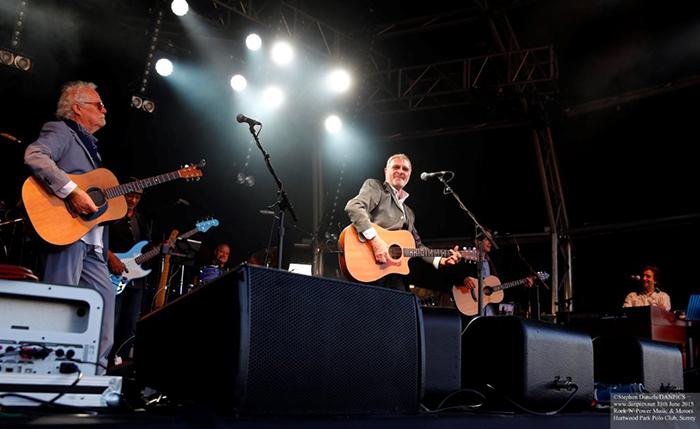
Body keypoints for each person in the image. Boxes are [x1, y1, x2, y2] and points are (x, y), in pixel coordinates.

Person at [24, 81, 113, 372]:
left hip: (93, 243)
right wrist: (72, 191)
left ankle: (93, 374)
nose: (104, 109)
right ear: (77, 108)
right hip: (67, 235)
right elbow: (35, 155)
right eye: (98, 105)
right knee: (61, 303)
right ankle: (47, 373)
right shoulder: (62, 131)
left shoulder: (91, 147)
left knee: (105, 302)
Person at [344, 153, 461, 291]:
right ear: (386, 171)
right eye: (396, 167)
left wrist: (440, 259)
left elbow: (418, 247)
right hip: (371, 269)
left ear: (409, 175)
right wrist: (375, 241)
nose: (400, 171)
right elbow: (354, 206)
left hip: (396, 276)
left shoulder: (409, 212)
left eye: (405, 169)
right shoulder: (376, 188)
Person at [106, 184, 152, 365]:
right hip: (113, 274)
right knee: (112, 320)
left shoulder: (142, 220)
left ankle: (121, 362)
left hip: (136, 280)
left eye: (137, 197)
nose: (133, 200)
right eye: (130, 196)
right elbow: (97, 240)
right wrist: (111, 258)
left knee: (130, 324)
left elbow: (143, 249)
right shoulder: (111, 216)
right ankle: (104, 360)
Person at [461, 231, 533, 316]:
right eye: (487, 239)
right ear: (477, 241)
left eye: (491, 239)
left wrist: (522, 284)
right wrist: (463, 279)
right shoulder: (466, 258)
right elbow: (449, 274)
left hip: (490, 312)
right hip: (471, 309)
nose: (490, 242)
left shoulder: (493, 263)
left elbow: (502, 286)